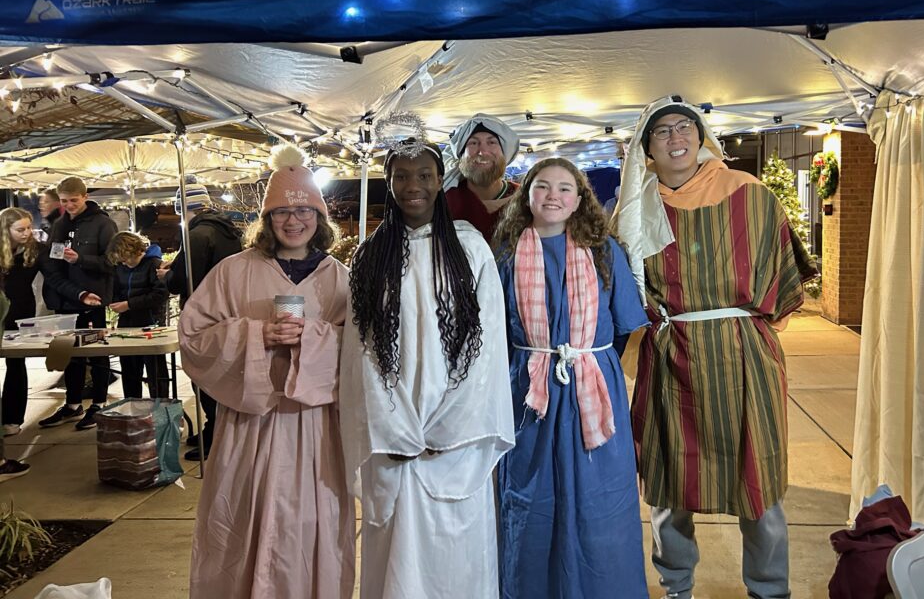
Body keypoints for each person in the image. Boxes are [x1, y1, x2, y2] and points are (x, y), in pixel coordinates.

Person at [613, 96, 817, 599]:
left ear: (701, 136)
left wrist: (753, 328)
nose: (676, 138)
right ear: (647, 149)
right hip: (671, 356)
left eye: (685, 127)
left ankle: (769, 590)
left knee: (760, 484)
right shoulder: (635, 212)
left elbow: (786, 275)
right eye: (662, 132)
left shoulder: (749, 194)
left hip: (742, 355)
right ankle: (676, 587)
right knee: (668, 486)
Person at [178, 144, 355, 599]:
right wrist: (256, 336)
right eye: (281, 212)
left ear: (319, 218)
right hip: (249, 425)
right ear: (267, 219)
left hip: (315, 427)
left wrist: (313, 338)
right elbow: (194, 338)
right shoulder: (232, 272)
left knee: (310, 524)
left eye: (304, 211)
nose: (293, 221)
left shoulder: (340, 278)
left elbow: (362, 350)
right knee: (241, 517)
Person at [341, 135, 514, 599]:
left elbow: (487, 351)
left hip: (454, 439)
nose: (412, 185)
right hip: (393, 436)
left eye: (423, 175)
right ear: (388, 182)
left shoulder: (470, 249)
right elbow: (361, 352)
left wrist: (451, 427)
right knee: (396, 560)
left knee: (456, 557)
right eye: (401, 176)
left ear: (441, 181)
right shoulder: (369, 257)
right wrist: (392, 426)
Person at [492, 158, 650, 598]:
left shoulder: (604, 251)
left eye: (565, 188)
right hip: (529, 392)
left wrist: (587, 364)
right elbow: (497, 331)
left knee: (597, 499)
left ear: (580, 199)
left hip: (592, 386)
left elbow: (622, 327)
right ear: (527, 196)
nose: (553, 197)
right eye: (542, 187)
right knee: (531, 497)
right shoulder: (506, 253)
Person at [159, 182, 242, 460]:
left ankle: (215, 433)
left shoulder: (196, 235)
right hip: (227, 311)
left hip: (203, 315)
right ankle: (217, 428)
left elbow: (184, 279)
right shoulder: (227, 231)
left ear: (185, 209)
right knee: (220, 373)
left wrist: (167, 276)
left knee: (203, 376)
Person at [38, 177, 117, 431]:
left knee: (96, 353)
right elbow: (51, 264)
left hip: (92, 302)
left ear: (84, 196)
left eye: (73, 200)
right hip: (66, 302)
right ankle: (73, 404)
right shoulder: (60, 225)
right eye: (64, 201)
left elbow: (111, 262)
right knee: (68, 355)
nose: (69, 205)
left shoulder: (104, 224)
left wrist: (81, 259)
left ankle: (99, 404)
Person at [105, 232, 170, 398]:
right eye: (121, 261)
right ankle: (133, 407)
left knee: (156, 373)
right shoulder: (120, 268)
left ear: (135, 251)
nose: (125, 263)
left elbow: (160, 295)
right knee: (129, 371)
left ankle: (162, 410)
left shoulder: (154, 264)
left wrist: (129, 305)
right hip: (127, 327)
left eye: (126, 259)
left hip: (151, 325)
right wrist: (115, 302)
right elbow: (116, 290)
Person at [443, 113, 521, 243]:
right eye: (473, 143)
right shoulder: (445, 199)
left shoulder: (525, 199)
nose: (482, 151)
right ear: (461, 154)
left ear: (505, 153)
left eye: (491, 142)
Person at [0, 207, 41, 437]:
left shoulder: (34, 249)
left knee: (16, 363)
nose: (26, 233)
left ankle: (12, 419)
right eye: (20, 229)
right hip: (1, 310)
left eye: (28, 228)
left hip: (23, 312)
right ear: (6, 230)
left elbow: (54, 275)